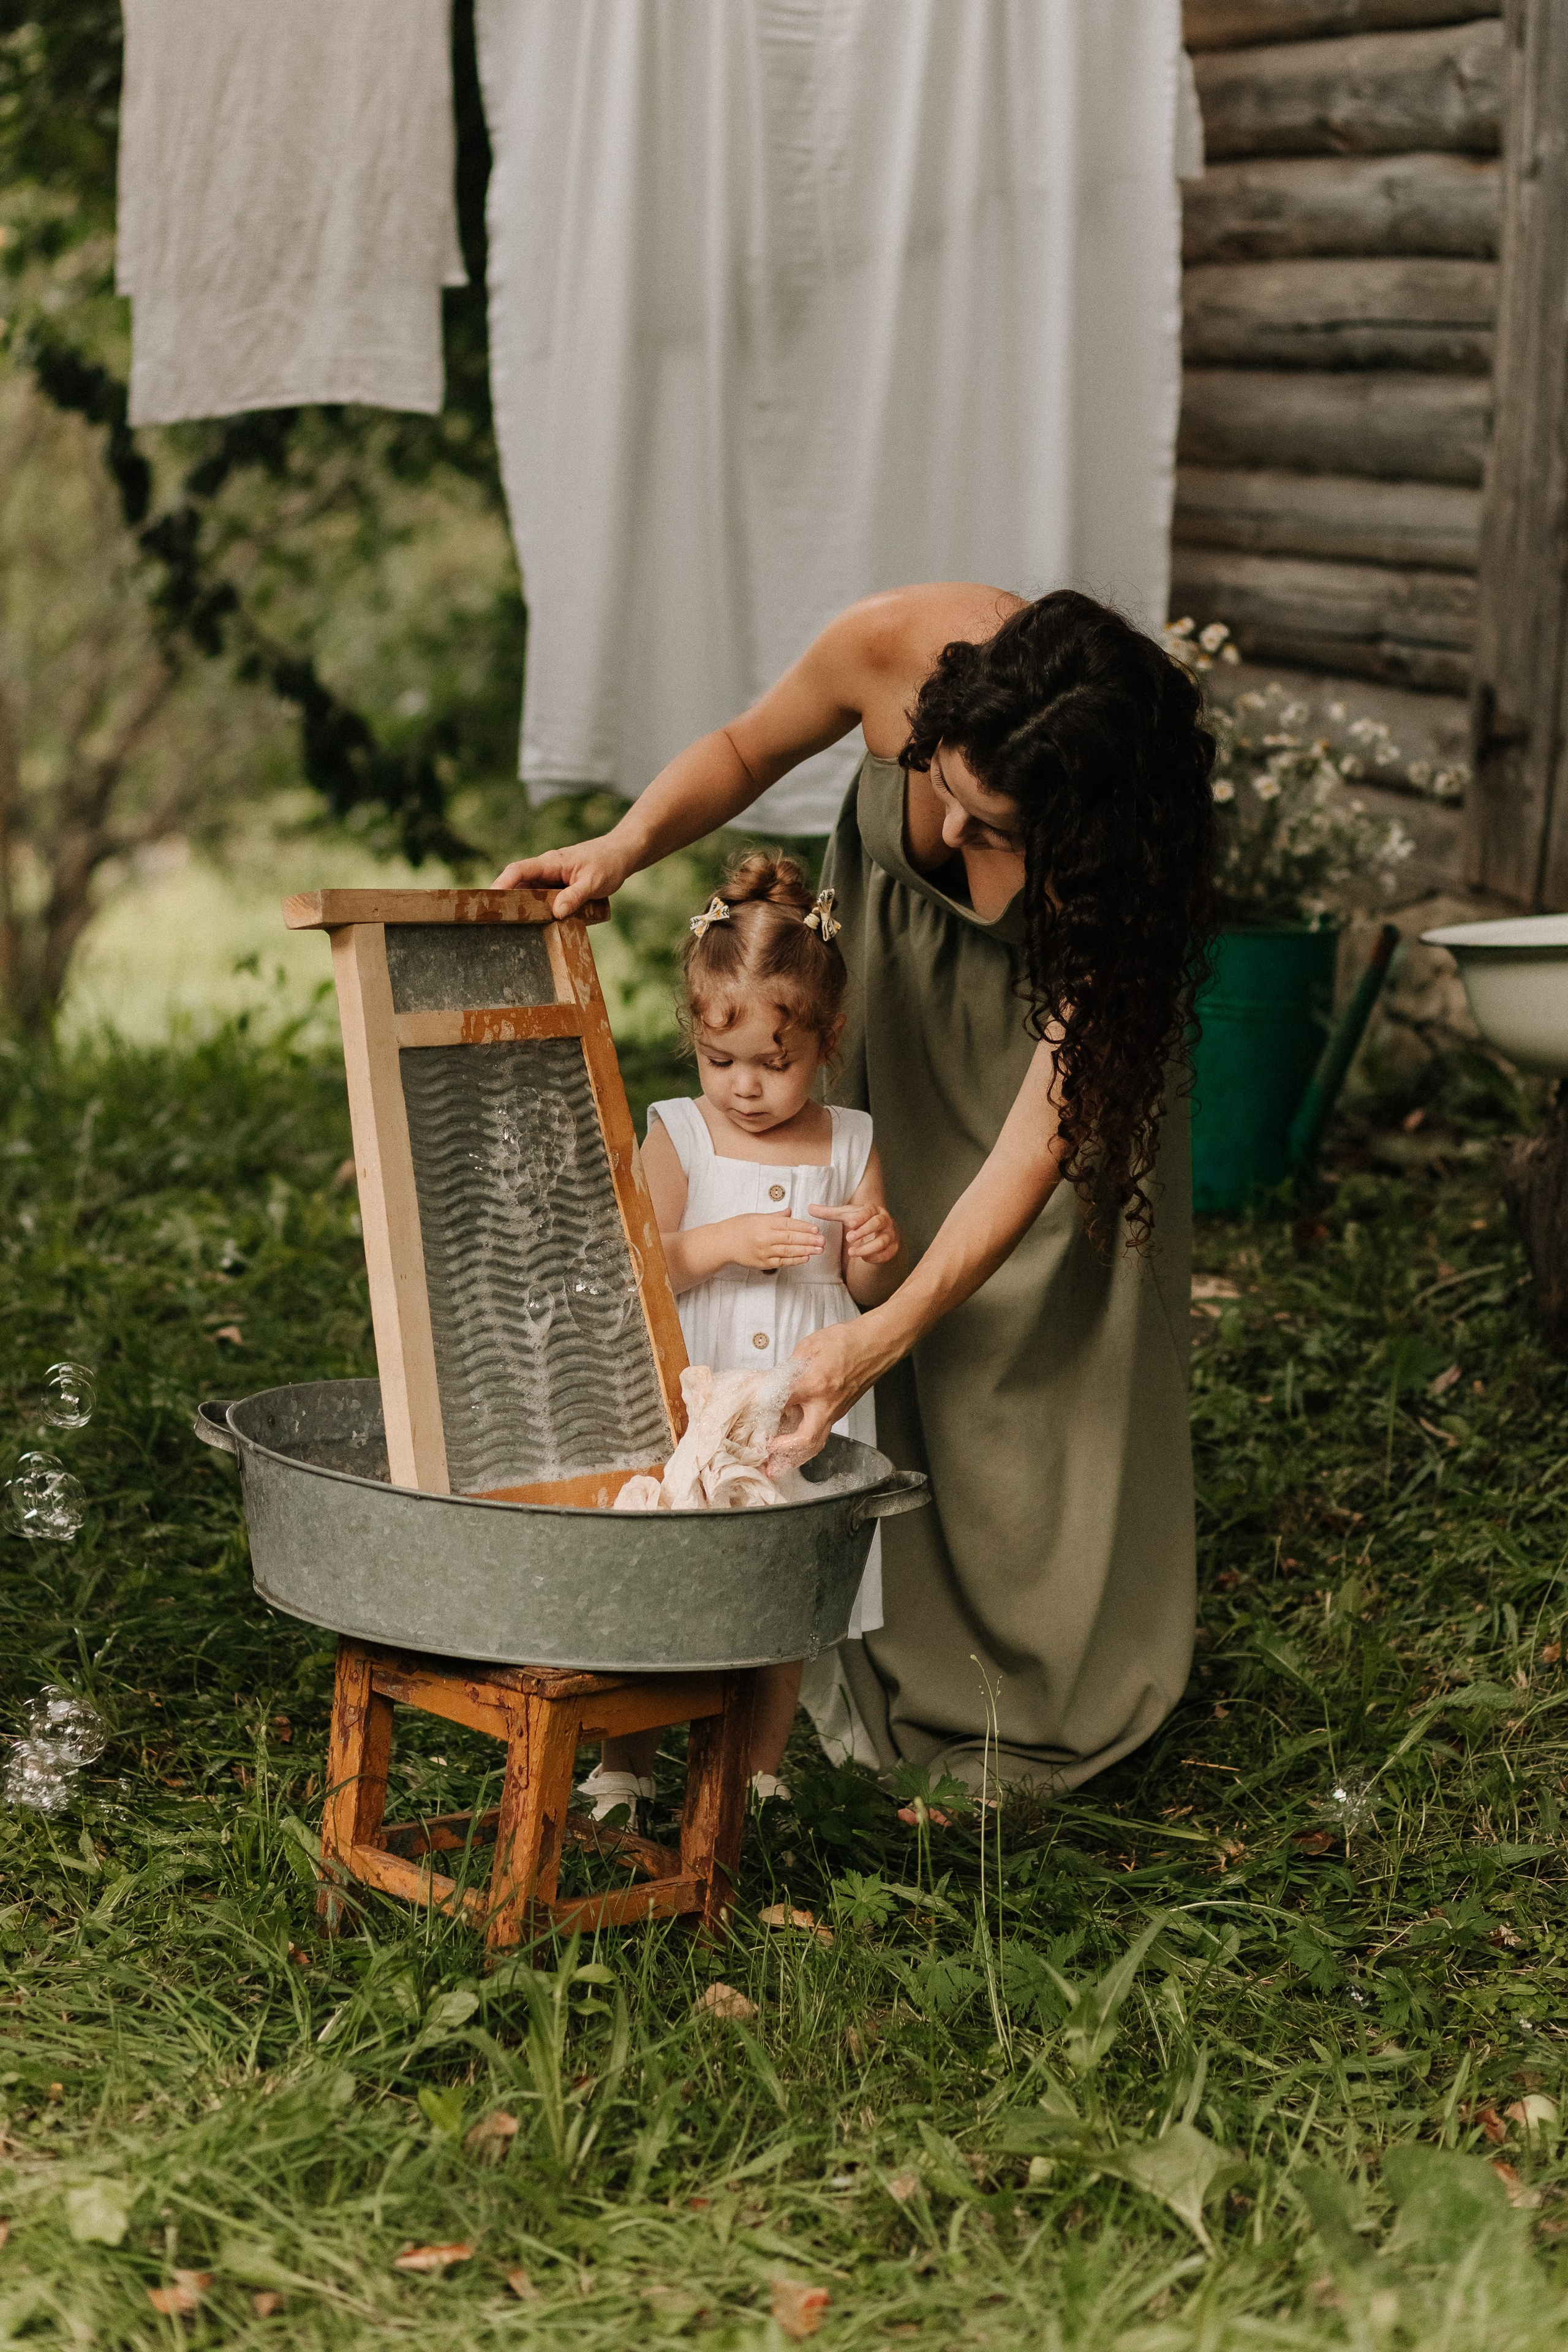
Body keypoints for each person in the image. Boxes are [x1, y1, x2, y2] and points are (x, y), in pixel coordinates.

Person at [499, 585, 1216, 1794]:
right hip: (890, 1000)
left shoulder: (1119, 886)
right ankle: (866, 1647)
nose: (943, 825)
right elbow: (744, 747)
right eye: (939, 782)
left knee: (1006, 1342)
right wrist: (628, 843)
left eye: (992, 832)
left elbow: (1038, 1146)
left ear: (1077, 846)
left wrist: (882, 1333)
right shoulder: (895, 643)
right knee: (855, 1283)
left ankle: (1029, 1681)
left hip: (1033, 1057)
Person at [579, 851, 904, 1826]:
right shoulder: (681, 1132)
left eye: (775, 1063)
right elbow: (644, 1262)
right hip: (698, 1388)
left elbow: (866, 1286)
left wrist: (879, 1251)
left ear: (827, 1041)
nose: (748, 1088)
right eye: (725, 1063)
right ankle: (623, 1767)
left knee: (785, 1588)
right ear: (695, 1043)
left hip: (799, 1399)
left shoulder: (850, 1140)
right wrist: (720, 1244)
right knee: (661, 1580)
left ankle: (757, 1775)